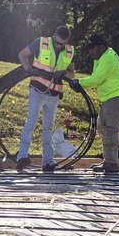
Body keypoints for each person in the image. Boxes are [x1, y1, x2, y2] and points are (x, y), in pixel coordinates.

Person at [17, 26, 74, 173]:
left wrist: (64, 73)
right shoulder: (41, 42)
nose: (58, 46)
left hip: (54, 94)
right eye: (57, 42)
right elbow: (22, 54)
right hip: (37, 90)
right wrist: (28, 69)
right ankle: (22, 156)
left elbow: (72, 73)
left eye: (62, 44)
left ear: (66, 42)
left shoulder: (69, 51)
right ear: (54, 35)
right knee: (31, 122)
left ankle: (48, 162)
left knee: (48, 127)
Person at [76, 32, 119, 176]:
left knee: (110, 129)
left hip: (115, 97)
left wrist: (79, 83)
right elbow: (96, 76)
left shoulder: (107, 58)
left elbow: (96, 79)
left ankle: (111, 163)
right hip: (110, 98)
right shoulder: (103, 56)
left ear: (100, 47)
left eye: (92, 49)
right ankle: (108, 160)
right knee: (102, 128)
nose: (90, 52)